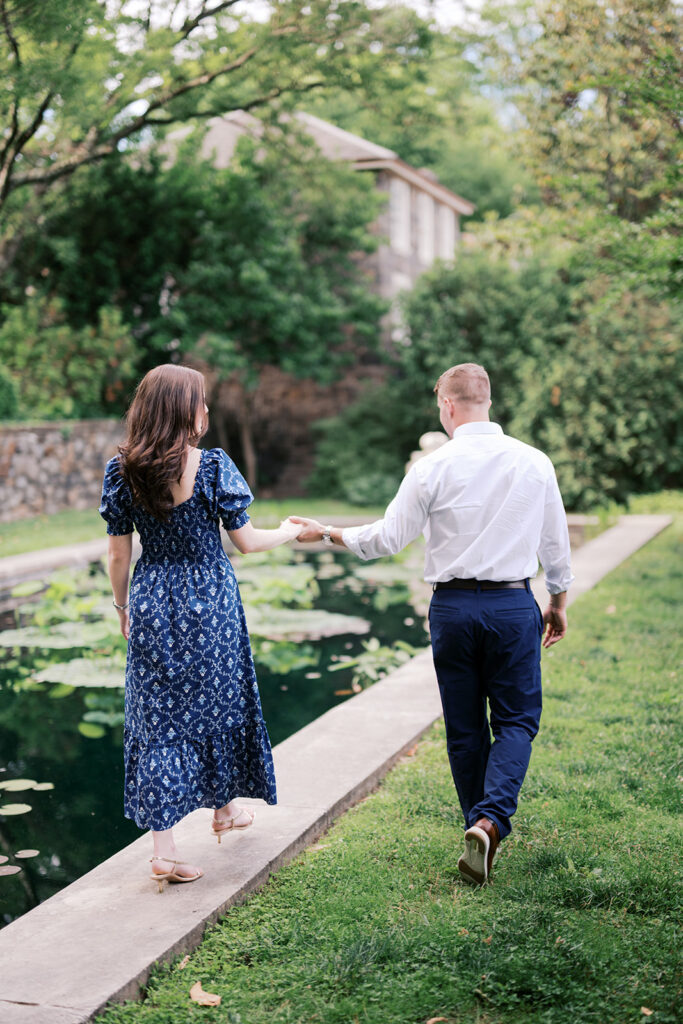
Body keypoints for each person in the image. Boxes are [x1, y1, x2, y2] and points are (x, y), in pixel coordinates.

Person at [292, 363, 573, 886]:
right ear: (486, 401)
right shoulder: (535, 463)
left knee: (464, 728)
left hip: (453, 612)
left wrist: (326, 531)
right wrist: (557, 600)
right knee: (515, 722)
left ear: (447, 405)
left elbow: (385, 539)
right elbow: (555, 545)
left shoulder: (431, 468)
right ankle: (490, 822)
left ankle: (478, 827)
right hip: (514, 607)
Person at [99, 364, 302, 891]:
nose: (207, 411)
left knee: (161, 718)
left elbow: (118, 555)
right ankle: (212, 819)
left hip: (152, 601)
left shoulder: (121, 471)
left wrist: (122, 607)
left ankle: (213, 817)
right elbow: (247, 542)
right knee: (219, 702)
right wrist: (288, 532)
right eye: (201, 402)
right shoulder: (213, 468)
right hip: (209, 602)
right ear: (180, 409)